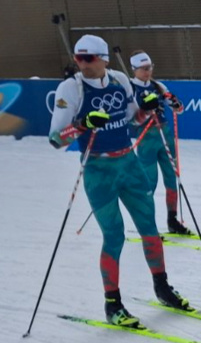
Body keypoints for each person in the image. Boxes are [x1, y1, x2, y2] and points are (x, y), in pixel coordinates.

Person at [48, 34, 192, 327]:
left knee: (150, 230)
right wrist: (83, 124)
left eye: (88, 58)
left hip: (129, 163)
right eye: (79, 58)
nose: (82, 64)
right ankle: (113, 304)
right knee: (114, 236)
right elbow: (55, 140)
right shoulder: (71, 88)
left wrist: (147, 107)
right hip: (99, 171)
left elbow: (133, 120)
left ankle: (162, 287)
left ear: (103, 59)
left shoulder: (119, 80)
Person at [128, 51, 189, 235]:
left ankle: (172, 220)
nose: (148, 72)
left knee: (172, 178)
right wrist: (146, 109)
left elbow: (179, 109)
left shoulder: (158, 85)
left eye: (150, 68)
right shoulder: (130, 89)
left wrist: (175, 103)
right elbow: (133, 121)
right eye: (143, 69)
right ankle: (148, 225)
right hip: (146, 138)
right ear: (134, 69)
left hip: (165, 134)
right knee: (149, 183)